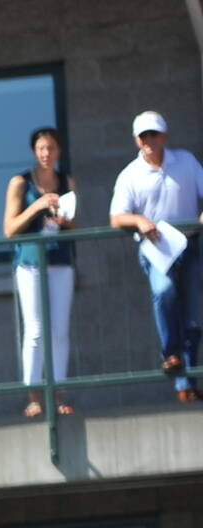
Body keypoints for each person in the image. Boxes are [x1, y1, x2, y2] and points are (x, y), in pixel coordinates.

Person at [110, 111, 203, 402]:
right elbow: (117, 217)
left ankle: (185, 384)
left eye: (154, 134)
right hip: (156, 249)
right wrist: (138, 221)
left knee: (193, 317)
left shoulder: (185, 161)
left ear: (164, 136)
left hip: (189, 244)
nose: (149, 140)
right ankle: (170, 353)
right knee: (164, 293)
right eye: (144, 136)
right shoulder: (130, 174)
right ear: (137, 140)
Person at [4, 128, 78, 418]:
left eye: (51, 148)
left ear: (59, 150)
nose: (47, 154)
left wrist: (63, 218)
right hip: (30, 262)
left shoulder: (66, 181)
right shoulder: (20, 183)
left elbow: (75, 224)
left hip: (60, 259)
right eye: (41, 149)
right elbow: (9, 228)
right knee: (35, 329)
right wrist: (36, 206)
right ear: (35, 151)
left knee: (60, 329)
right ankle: (34, 395)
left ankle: (59, 393)